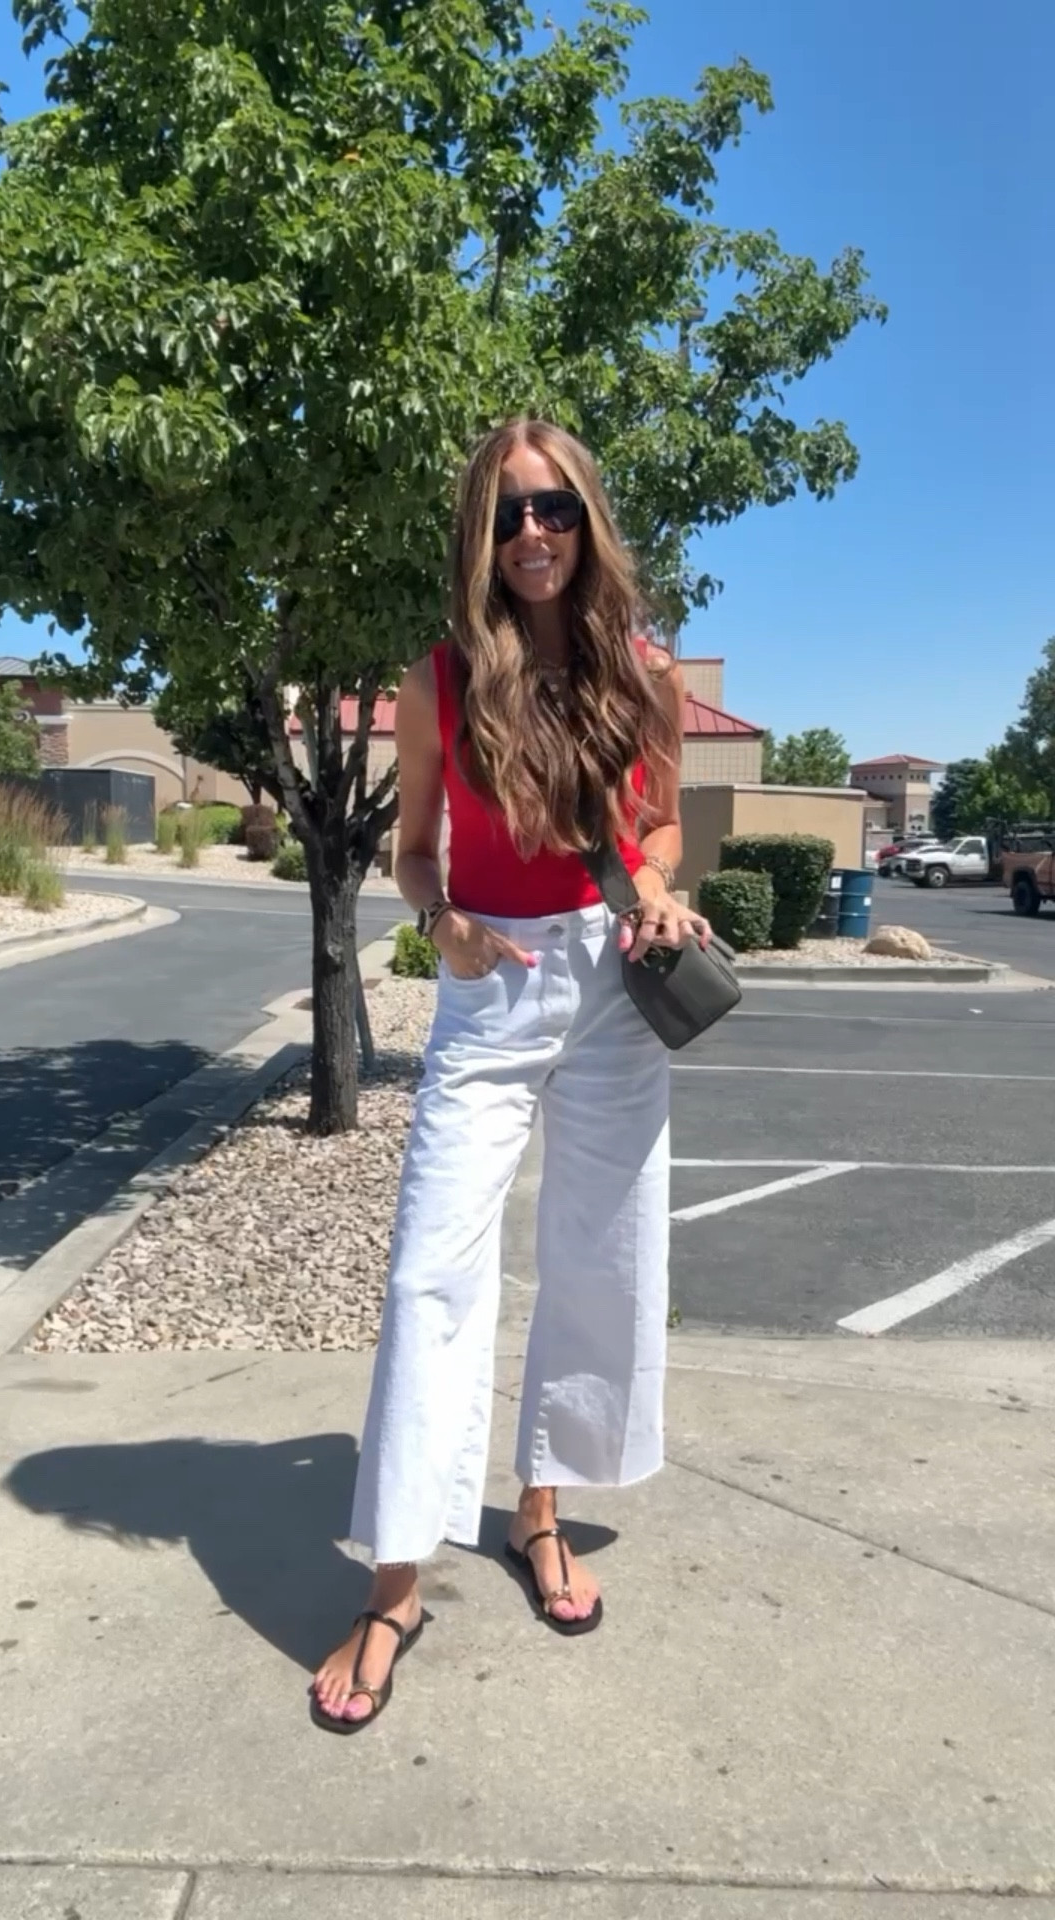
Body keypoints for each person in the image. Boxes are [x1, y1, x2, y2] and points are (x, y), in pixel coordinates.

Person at [311, 416, 710, 1734]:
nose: (533, 534)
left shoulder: (644, 671)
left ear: (588, 522)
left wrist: (656, 897)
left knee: (599, 1255)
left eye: (555, 511)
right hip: (490, 985)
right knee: (432, 1265)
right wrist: (441, 923)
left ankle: (540, 1511)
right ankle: (395, 1582)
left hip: (609, 977)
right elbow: (415, 851)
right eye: (507, 516)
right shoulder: (438, 681)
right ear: (478, 540)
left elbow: (656, 827)